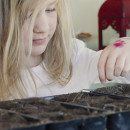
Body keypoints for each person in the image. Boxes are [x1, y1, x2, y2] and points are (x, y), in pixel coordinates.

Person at [0, 0, 130, 101]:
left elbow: (124, 73)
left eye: (50, 9)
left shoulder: (73, 55)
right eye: (28, 15)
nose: (43, 27)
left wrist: (126, 47)